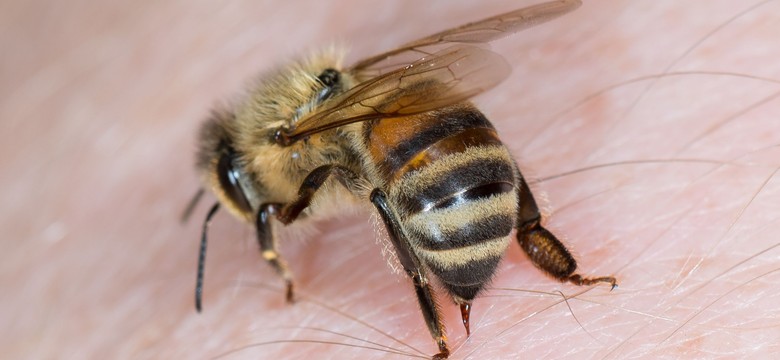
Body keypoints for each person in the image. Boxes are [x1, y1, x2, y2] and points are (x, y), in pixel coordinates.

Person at [3, 1, 778, 358]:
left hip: (432, 180)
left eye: (244, 196)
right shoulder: (333, 98)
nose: (257, 208)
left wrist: (277, 261)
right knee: (401, 169)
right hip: (440, 139)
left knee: (381, 186)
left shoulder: (290, 147)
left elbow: (338, 190)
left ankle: (440, 335)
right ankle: (542, 251)